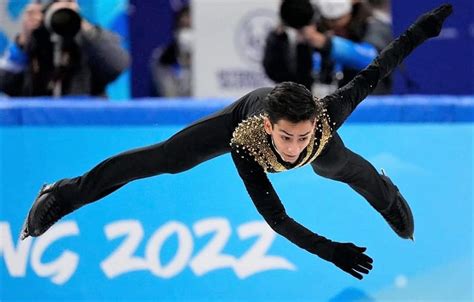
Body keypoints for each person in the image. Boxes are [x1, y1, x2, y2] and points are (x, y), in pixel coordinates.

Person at [20, 5, 452, 280]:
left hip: (329, 144)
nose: (293, 148)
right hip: (241, 113)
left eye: (302, 138)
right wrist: (329, 250)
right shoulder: (245, 140)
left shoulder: (328, 117)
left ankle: (390, 198)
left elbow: (380, 66)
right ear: (269, 129)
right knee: (165, 159)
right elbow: (277, 218)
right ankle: (64, 193)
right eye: (286, 137)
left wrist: (423, 28)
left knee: (346, 170)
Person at [0, 0, 130, 97]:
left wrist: (80, 23)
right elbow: (4, 81)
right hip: (36, 123)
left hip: (83, 122)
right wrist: (23, 39)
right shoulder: (34, 39)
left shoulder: (88, 38)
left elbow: (117, 65)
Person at [263, 0, 393, 96]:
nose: (333, 25)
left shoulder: (374, 26)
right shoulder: (311, 29)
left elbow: (371, 58)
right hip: (319, 111)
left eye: (339, 20)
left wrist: (325, 43)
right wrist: (279, 37)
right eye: (329, 21)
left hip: (366, 108)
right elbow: (280, 74)